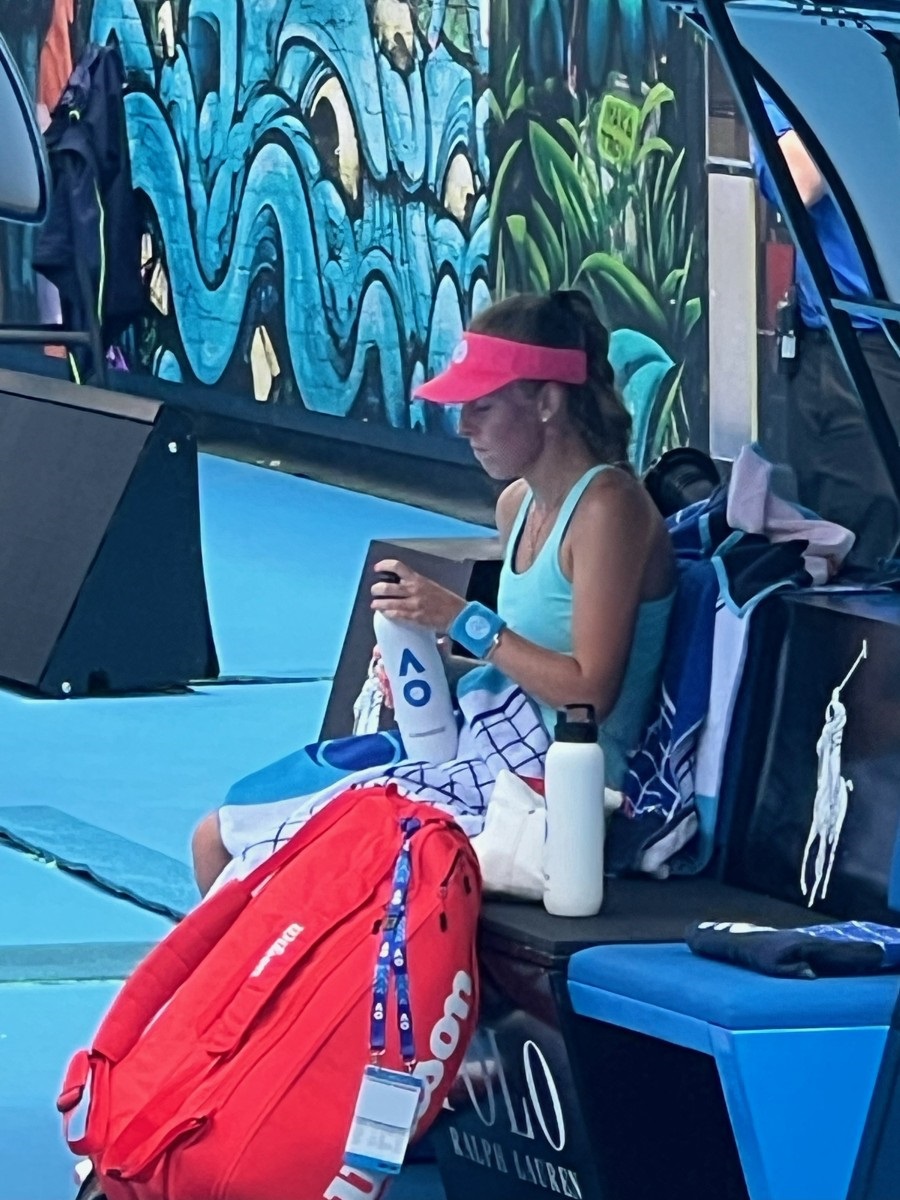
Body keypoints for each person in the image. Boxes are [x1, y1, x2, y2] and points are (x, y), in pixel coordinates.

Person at [191, 289, 675, 894]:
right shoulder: (516, 505)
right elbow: (529, 669)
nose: (463, 425)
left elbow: (587, 695)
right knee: (216, 837)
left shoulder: (609, 509)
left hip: (559, 790)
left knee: (266, 854)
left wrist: (464, 621)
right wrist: (433, 667)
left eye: (483, 407)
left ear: (548, 402)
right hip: (491, 749)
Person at [754, 90, 900, 568]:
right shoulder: (789, 72)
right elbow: (797, 180)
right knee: (867, 549)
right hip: (862, 345)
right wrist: (855, 97)